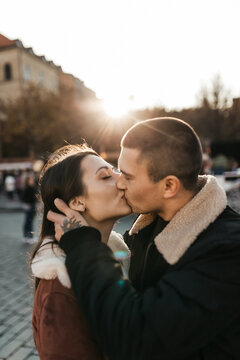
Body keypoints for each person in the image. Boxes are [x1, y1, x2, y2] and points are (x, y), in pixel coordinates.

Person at [48, 117, 240, 360]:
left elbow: (136, 338)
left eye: (127, 176)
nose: (119, 182)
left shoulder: (227, 251)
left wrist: (83, 245)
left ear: (169, 186)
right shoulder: (146, 230)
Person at [31, 144, 131, 360]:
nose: (121, 180)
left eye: (115, 171)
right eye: (105, 177)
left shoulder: (119, 257)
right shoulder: (61, 284)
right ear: (77, 202)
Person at [22, 175, 37, 243]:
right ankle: (29, 237)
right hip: (30, 206)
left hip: (30, 206)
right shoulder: (29, 188)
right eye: (31, 180)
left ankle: (26, 236)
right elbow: (25, 198)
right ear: (28, 181)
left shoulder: (29, 188)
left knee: (28, 222)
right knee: (29, 222)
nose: (32, 181)